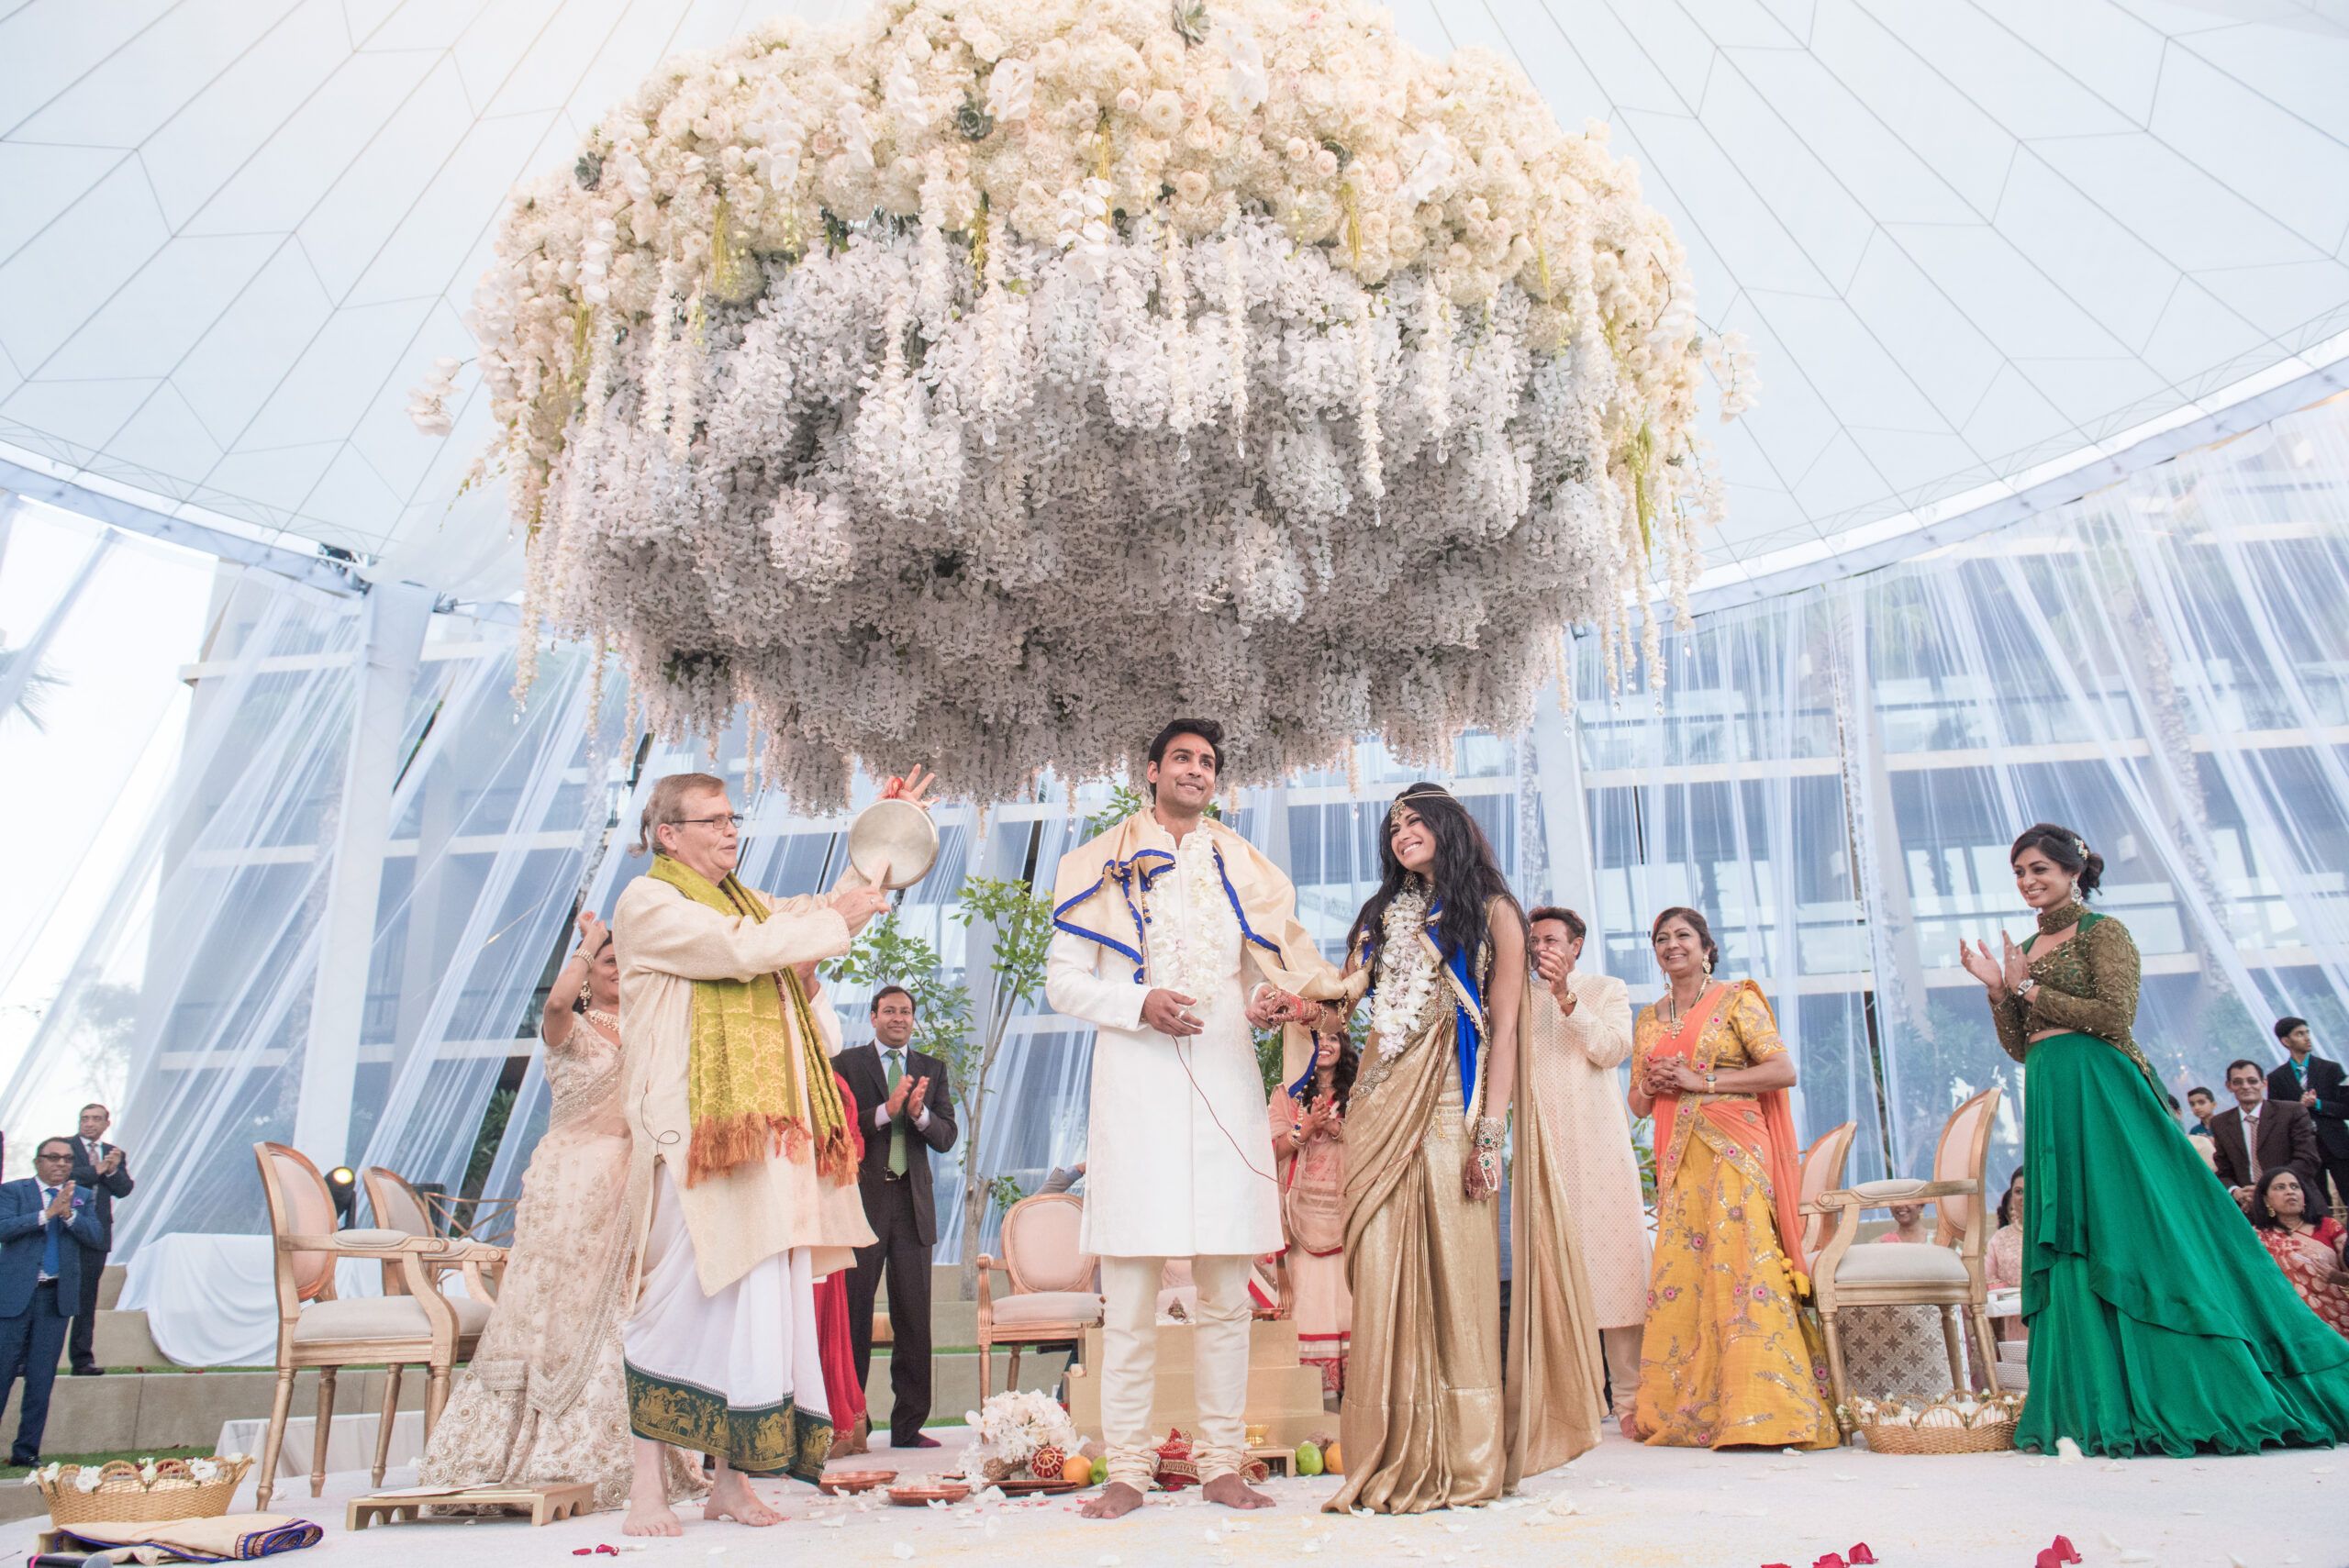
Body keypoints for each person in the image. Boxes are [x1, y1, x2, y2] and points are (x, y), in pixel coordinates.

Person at [1961, 821, 2349, 1455]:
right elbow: (2022, 1045)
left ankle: (2188, 1380)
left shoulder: (2103, 933)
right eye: (2020, 873)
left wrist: (2029, 983)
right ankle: (2092, 1396)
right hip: (2055, 1090)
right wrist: (2000, 990)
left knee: (2131, 1224)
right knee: (2077, 1233)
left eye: (2039, 870)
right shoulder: (2027, 943)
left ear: (2073, 870)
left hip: (2104, 1089)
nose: (2029, 882)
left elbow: (2113, 1017)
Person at [1043, 717, 1344, 1520]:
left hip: (1223, 1084)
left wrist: (1270, 1002)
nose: (1197, 771)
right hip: (1134, 1093)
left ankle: (1219, 1461)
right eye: (1183, 758)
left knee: (1224, 1292)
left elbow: (1258, 976)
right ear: (1151, 770)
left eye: (1208, 762)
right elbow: (1063, 983)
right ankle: (1128, 1470)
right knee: (1132, 1297)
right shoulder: (1098, 861)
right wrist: (1138, 1001)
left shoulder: (1242, 865)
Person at [613, 769, 914, 1533]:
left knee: (753, 1308)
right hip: (695, 1136)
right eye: (711, 820)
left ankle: (729, 1480)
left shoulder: (748, 903)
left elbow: (812, 914)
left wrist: (886, 834)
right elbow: (741, 948)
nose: (730, 830)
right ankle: (646, 1485)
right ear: (668, 835)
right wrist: (832, 918)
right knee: (672, 1305)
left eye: (733, 817)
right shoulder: (650, 903)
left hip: (761, 1136)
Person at [1322, 784, 1602, 1515]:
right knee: (1380, 1271)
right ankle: (1385, 1449)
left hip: (1454, 1104)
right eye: (1393, 826)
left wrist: (1489, 1136)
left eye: (1415, 820)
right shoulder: (1383, 914)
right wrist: (1293, 1000)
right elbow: (1344, 993)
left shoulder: (1497, 913)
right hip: (1380, 1106)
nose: (1402, 833)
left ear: (1447, 826)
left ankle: (1468, 1454)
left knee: (1460, 1275)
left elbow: (1504, 1029)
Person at [418, 910, 706, 1511]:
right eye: (608, 963)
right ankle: (528, 1447)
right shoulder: (569, 1027)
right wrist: (589, 940)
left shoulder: (650, 1033)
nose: (619, 971)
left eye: (626, 963)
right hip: (572, 1182)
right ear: (589, 974)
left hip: (631, 1183)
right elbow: (553, 1003)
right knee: (556, 1308)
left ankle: (630, 1451)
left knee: (620, 1310)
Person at [1625, 907, 1837, 1451]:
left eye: (1683, 937)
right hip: (1680, 1157)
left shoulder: (1737, 998)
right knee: (1689, 1270)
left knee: (1742, 1265)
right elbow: (1638, 1105)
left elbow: (1782, 1070)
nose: (1672, 945)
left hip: (1736, 1149)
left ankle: (1765, 1407)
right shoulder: (1648, 1018)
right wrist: (1652, 1083)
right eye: (1661, 939)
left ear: (1706, 947)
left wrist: (1702, 1080)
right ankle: (1694, 1407)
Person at [1520, 906, 1648, 1425]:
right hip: (1540, 1143)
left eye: (1551, 940)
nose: (1540, 950)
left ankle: (1631, 1400)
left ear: (1576, 946)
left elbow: (1613, 1051)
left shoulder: (1606, 988)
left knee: (1617, 1267)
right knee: (1552, 1272)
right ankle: (1576, 1404)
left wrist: (1566, 998)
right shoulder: (1518, 997)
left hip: (1599, 1146)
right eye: (1533, 942)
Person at [836, 984, 959, 1450]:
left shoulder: (931, 1069)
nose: (898, 1018)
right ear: (872, 1017)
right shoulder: (845, 1065)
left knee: (914, 1319)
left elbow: (946, 1137)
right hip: (863, 1207)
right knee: (854, 1317)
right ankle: (851, 1426)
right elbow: (838, 1130)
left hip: (912, 1208)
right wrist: (886, 1113)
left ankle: (908, 1428)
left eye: (905, 1012)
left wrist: (919, 1114)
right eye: (889, 1011)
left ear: (913, 1019)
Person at [0, 1140, 105, 1463]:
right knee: (2, 1373)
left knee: (41, 1378)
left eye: (67, 1159)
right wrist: (46, 1215)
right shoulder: (14, 1191)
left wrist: (69, 1214)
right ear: (37, 1161)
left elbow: (97, 1237)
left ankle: (26, 1452)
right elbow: (3, 1227)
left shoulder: (82, 1197)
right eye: (53, 1157)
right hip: (16, 1296)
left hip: (55, 1299)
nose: (60, 1164)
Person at [1267, 1028, 1354, 1398]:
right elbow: (1269, 1152)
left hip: (1349, 1219)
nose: (1326, 1045)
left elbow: (1376, 1142)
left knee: (1348, 1306)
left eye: (1334, 1038)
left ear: (1345, 1046)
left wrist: (1335, 1127)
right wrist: (1306, 1129)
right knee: (1307, 1304)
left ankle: (1355, 1406)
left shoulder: (1362, 1093)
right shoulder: (1285, 1096)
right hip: (1300, 1221)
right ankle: (1309, 1403)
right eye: (1317, 1039)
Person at [814, 1069, 873, 1455]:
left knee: (812, 1324)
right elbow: (855, 1146)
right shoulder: (832, 1082)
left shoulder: (829, 1084)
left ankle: (812, 1426)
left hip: (811, 1222)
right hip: (822, 1221)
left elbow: (851, 1145)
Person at [64, 1104, 130, 1377]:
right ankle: (22, 1358)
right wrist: (98, 1169)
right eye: (84, 1118)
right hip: (64, 1228)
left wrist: (112, 1170)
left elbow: (124, 1189)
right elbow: (65, 1176)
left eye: (95, 1119)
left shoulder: (114, 1154)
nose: (89, 1123)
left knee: (87, 1298)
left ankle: (81, 1360)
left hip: (96, 1233)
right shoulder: (63, 1147)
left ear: (106, 1123)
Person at [2247, 1170, 2349, 1340]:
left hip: (2338, 1321)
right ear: (2266, 1200)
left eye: (2295, 1186)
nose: (2290, 1191)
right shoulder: (2256, 1238)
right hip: (2288, 1325)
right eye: (2280, 1187)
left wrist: (2338, 1277)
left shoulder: (2329, 1227)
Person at [2209, 1057, 2320, 1204]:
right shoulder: (2220, 1123)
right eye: (2238, 1082)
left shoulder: (2291, 1112)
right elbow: (2223, 1171)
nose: (2246, 1086)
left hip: (2297, 1201)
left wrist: (2269, 1186)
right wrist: (2236, 1191)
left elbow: (2308, 1159)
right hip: (2250, 1205)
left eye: (2252, 1081)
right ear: (2229, 1086)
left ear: (2264, 1083)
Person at [2269, 1018, 2349, 1217]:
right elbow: (2276, 1117)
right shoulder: (2277, 1078)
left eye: (2307, 1032)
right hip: (2305, 1150)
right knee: (2318, 1203)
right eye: (2300, 1034)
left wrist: (2318, 1104)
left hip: (2338, 1147)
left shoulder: (2331, 1069)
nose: (2307, 1038)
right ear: (2286, 1041)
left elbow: (2347, 1108)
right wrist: (2298, 1107)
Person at [1986, 1168, 2027, 1344]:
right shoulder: (2000, 1238)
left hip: (2054, 1321)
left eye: (2031, 1189)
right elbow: (1986, 1280)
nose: (2024, 1197)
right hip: (2015, 1323)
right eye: (2018, 1192)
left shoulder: (2057, 1235)